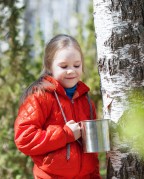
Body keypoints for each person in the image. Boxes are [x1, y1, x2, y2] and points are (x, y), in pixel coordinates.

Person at [14, 34, 100, 179]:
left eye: (77, 65)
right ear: (49, 66)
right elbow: (24, 138)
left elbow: (92, 153)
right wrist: (66, 134)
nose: (71, 70)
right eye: (64, 66)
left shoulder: (86, 100)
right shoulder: (40, 96)